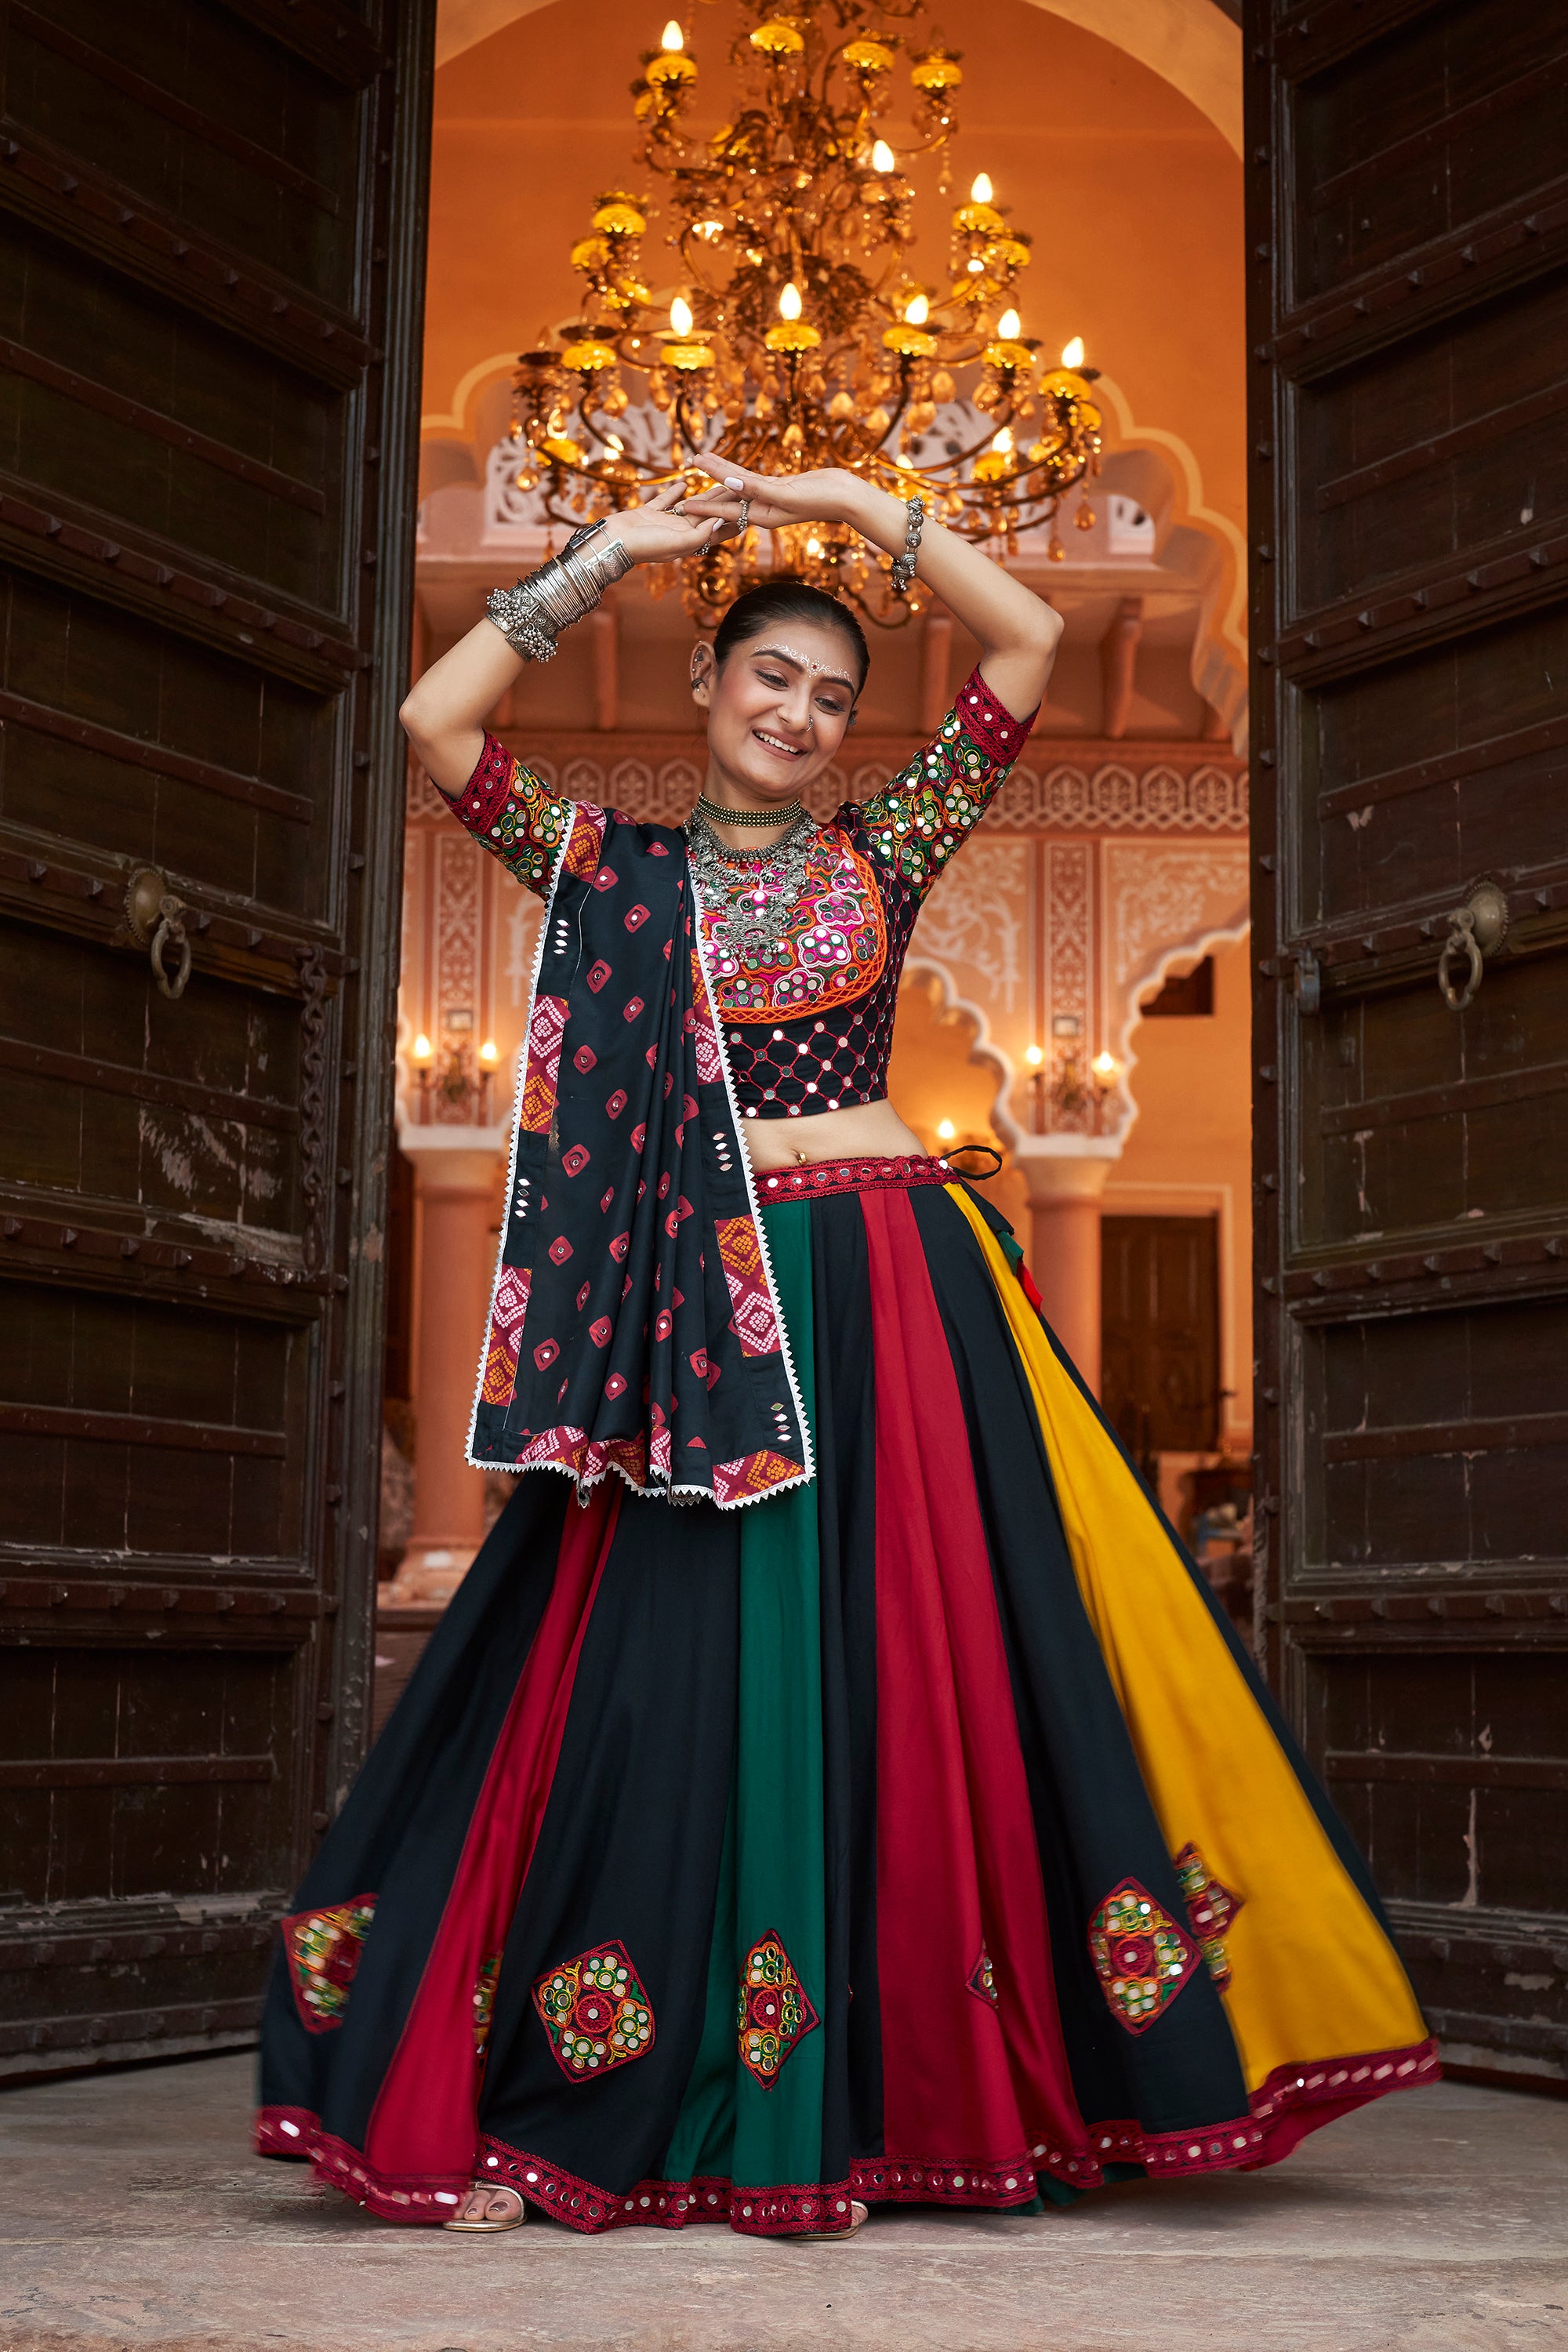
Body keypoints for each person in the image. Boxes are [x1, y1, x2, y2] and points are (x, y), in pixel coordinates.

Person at [256, 463, 1436, 2239]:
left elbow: (1028, 637)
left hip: (889, 1289)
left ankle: (930, 2084)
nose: (798, 716)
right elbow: (434, 721)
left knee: (923, 1656)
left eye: (829, 696)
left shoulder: (888, 846)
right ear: (704, 689)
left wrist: (851, 504)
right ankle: (630, 2075)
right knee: (682, 1668)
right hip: (698, 1316)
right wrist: (609, 559)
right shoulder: (613, 867)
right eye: (769, 679)